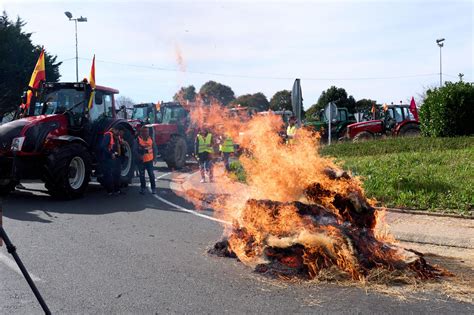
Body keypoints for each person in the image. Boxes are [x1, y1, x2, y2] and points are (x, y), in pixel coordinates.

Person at [102, 127, 123, 196]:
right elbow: (104, 146)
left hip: (116, 158)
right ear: (114, 129)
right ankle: (110, 191)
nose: (120, 133)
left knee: (117, 173)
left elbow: (119, 146)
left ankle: (117, 190)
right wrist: (111, 153)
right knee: (109, 174)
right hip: (109, 158)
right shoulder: (108, 135)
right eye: (119, 131)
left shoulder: (117, 137)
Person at [137, 127, 156, 194]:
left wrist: (155, 158)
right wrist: (138, 156)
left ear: (148, 132)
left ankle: (153, 188)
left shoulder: (151, 139)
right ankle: (143, 188)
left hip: (149, 160)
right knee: (142, 176)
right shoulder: (137, 140)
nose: (145, 133)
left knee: (151, 174)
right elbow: (134, 149)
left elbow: (154, 149)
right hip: (141, 161)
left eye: (146, 131)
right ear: (141, 132)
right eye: (143, 131)